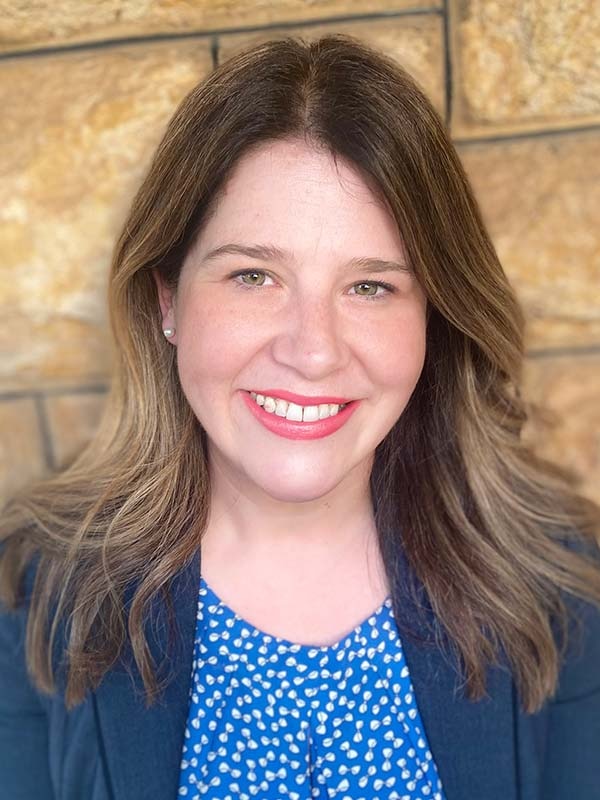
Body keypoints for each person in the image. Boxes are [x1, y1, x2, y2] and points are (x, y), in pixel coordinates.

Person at [1, 33, 599, 800]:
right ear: (168, 299)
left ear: (435, 315)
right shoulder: (35, 596)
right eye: (255, 275)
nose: (313, 352)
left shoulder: (552, 579)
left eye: (371, 287)